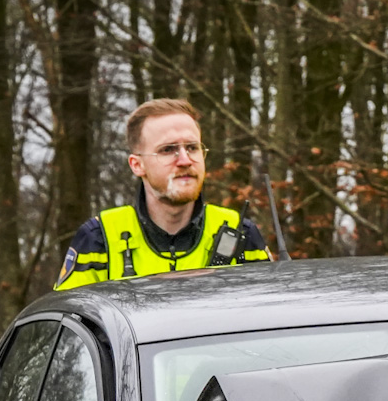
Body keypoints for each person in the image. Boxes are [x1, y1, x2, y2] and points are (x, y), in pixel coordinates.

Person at [54, 98, 272, 291]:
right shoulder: (99, 239)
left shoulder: (241, 233)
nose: (185, 160)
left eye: (192, 147)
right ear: (137, 165)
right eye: (168, 150)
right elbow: (72, 328)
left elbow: (271, 323)